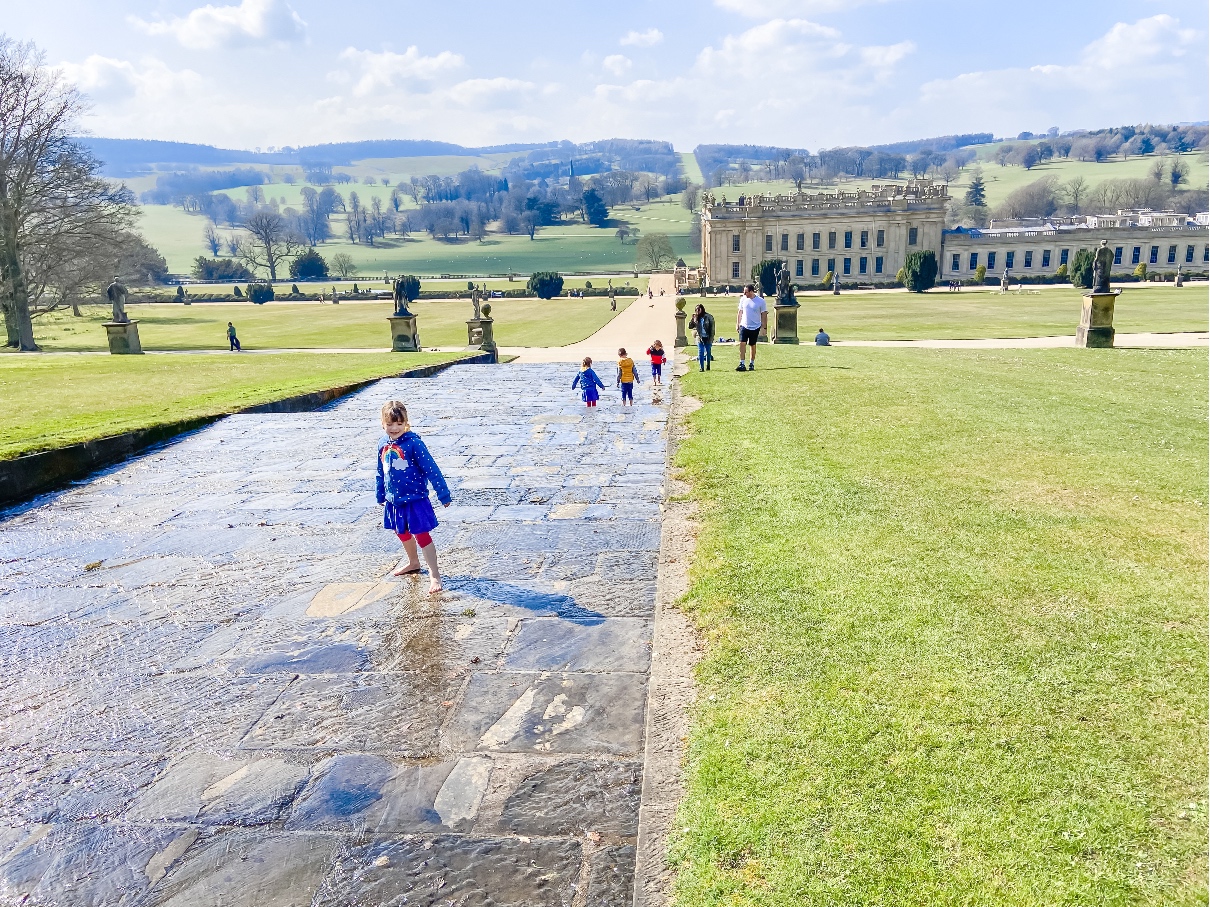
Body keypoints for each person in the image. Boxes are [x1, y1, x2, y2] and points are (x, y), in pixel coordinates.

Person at [376, 400, 451, 595]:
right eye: (390, 424)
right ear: (382, 423)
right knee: (400, 532)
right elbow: (380, 471)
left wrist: (443, 493)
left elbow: (432, 469)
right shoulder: (382, 444)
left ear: (406, 423)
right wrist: (380, 493)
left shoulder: (414, 443)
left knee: (421, 534)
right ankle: (413, 562)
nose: (394, 428)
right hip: (394, 501)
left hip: (415, 499)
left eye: (399, 424)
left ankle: (435, 575)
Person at [735, 284, 767, 371]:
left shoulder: (760, 301)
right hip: (744, 325)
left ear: (752, 291)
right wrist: (738, 323)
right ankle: (742, 363)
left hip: (755, 326)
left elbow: (764, 315)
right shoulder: (743, 299)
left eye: (746, 292)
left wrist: (764, 327)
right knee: (742, 343)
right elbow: (740, 312)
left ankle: (751, 363)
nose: (744, 294)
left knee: (752, 345)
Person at [689, 304, 715, 371]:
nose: (697, 311)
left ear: (702, 309)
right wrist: (692, 319)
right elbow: (690, 327)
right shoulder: (696, 318)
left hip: (708, 337)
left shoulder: (709, 317)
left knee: (708, 352)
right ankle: (701, 367)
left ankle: (708, 365)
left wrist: (711, 338)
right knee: (700, 352)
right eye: (696, 310)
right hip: (700, 337)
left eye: (699, 309)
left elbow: (712, 329)